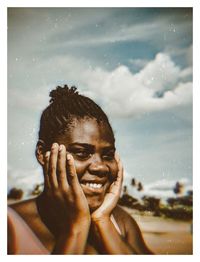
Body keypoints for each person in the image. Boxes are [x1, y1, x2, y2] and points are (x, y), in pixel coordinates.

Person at [9, 85, 152, 254]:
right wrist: (76, 227)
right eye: (81, 152)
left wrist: (103, 222)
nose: (101, 167)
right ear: (42, 153)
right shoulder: (10, 226)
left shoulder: (119, 222)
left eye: (108, 155)